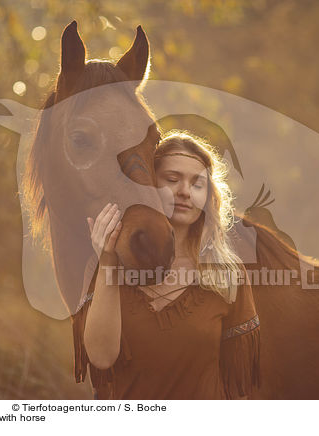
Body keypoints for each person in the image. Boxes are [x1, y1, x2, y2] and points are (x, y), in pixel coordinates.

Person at [72, 130, 260, 400]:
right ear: (148, 185)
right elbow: (101, 358)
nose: (184, 191)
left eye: (197, 184)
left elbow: (238, 389)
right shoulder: (107, 266)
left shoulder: (228, 274)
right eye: (172, 180)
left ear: (207, 198)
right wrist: (108, 260)